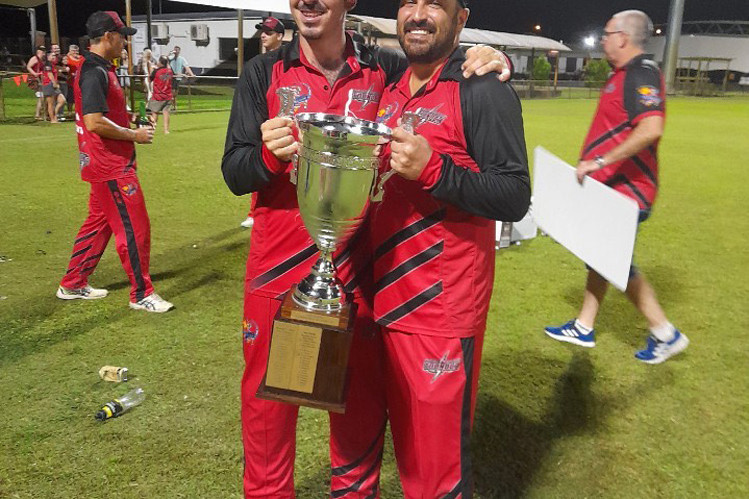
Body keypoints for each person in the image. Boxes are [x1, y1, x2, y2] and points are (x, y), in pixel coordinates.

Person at [222, 0, 510, 496]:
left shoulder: (386, 71)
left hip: (357, 287)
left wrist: (487, 57)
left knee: (356, 427)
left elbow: (438, 67)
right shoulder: (262, 72)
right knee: (268, 430)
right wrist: (267, 158)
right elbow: (234, 170)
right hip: (275, 283)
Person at [370, 0, 530, 496]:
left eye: (434, 4)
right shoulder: (390, 86)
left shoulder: (482, 87)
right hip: (380, 303)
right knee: (404, 460)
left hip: (439, 315)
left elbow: (514, 195)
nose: (418, 14)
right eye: (408, 3)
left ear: (461, 19)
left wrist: (435, 169)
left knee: (437, 476)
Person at [544, 10, 688, 364]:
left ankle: (665, 333)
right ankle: (584, 325)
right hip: (611, 189)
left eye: (607, 33)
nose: (604, 40)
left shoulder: (641, 73)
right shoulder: (622, 75)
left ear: (623, 37)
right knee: (601, 257)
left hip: (629, 191)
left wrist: (599, 162)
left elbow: (651, 127)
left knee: (613, 261)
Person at [56, 11, 174, 314]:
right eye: (122, 36)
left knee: (99, 225)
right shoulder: (94, 71)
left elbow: (100, 116)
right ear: (108, 36)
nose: (125, 43)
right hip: (110, 166)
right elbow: (95, 122)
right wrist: (133, 135)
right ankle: (141, 293)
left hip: (102, 163)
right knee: (135, 228)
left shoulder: (96, 68)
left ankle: (73, 282)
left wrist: (126, 121)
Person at [240, 17, 286, 229]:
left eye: (268, 32)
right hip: (260, 121)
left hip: (278, 124)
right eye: (262, 31)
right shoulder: (259, 64)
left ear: (280, 36)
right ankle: (254, 211)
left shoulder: (287, 62)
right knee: (256, 163)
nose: (263, 35)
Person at [148, 56, 173, 134]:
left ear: (160, 62)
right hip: (168, 95)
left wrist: (151, 69)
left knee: (155, 112)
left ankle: (152, 129)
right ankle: (166, 130)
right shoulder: (170, 71)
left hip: (158, 95)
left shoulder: (156, 71)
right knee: (166, 112)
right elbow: (166, 78)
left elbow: (150, 79)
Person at [167, 46, 194, 110]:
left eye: (177, 50)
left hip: (178, 78)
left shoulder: (182, 59)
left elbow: (187, 67)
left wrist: (191, 74)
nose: (176, 51)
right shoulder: (170, 58)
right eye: (175, 50)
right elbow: (165, 59)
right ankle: (170, 106)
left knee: (175, 94)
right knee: (171, 93)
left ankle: (174, 106)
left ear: (179, 51)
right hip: (171, 77)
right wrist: (170, 53)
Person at [41, 52, 63, 123]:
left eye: (55, 56)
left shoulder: (53, 65)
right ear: (48, 57)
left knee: (62, 100)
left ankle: (55, 116)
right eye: (52, 55)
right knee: (51, 103)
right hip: (48, 84)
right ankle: (52, 119)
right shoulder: (48, 64)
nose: (54, 57)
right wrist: (54, 83)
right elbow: (50, 74)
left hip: (53, 84)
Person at [26, 46, 47, 120]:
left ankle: (40, 113)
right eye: (42, 51)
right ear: (38, 51)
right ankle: (37, 114)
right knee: (41, 96)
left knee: (42, 97)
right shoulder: (35, 58)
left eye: (44, 51)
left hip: (40, 79)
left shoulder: (42, 59)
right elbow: (28, 67)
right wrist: (34, 73)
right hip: (34, 80)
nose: (44, 53)